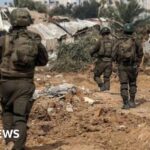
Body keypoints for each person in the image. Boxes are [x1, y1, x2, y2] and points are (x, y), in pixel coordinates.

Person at [0, 8, 48, 150]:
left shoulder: (3, 40)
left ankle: (10, 141)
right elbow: (43, 61)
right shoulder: (34, 40)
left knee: (7, 113)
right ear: (28, 21)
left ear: (12, 21)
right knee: (20, 117)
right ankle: (18, 147)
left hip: (5, 84)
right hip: (25, 84)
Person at [113, 23, 143, 109]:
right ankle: (132, 102)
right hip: (133, 66)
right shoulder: (135, 41)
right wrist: (138, 64)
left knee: (123, 84)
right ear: (132, 31)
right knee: (133, 83)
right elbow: (140, 53)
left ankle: (125, 103)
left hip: (122, 66)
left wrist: (115, 63)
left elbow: (113, 54)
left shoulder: (118, 41)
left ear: (124, 31)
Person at [90, 27, 115, 91]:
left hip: (101, 61)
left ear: (102, 33)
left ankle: (102, 86)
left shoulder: (100, 41)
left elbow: (93, 50)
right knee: (107, 77)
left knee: (96, 76)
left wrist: (92, 54)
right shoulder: (112, 42)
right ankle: (107, 91)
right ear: (108, 33)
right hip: (110, 62)